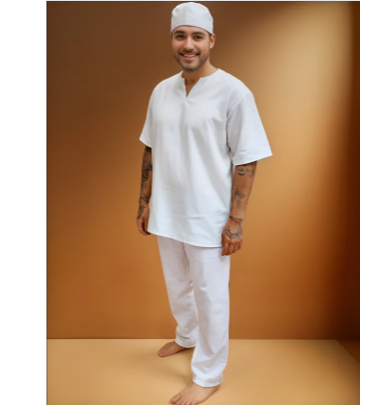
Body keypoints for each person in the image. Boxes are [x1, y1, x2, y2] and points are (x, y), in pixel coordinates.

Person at [136, 2, 273, 404]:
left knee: (211, 296)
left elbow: (246, 159)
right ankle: (187, 335)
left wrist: (236, 220)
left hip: (208, 216)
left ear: (211, 40)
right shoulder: (161, 91)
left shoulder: (234, 92)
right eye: (181, 36)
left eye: (197, 36)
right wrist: (144, 201)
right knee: (178, 286)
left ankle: (209, 375)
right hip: (166, 211)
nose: (188, 44)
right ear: (172, 40)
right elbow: (150, 148)